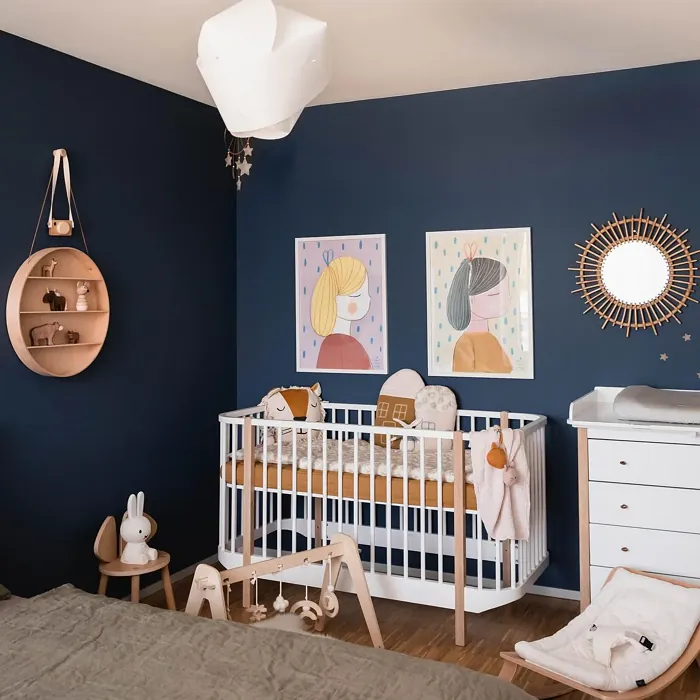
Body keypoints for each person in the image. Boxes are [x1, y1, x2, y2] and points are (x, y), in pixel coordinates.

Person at [446, 248, 513, 374]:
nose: (507, 298)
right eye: (495, 294)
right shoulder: (465, 344)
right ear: (469, 299)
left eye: (506, 292)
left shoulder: (490, 338)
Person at [311, 254, 373, 370]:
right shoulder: (343, 345)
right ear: (335, 299)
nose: (368, 299)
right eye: (357, 295)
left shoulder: (332, 344)